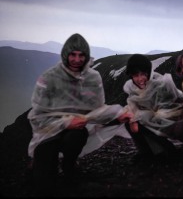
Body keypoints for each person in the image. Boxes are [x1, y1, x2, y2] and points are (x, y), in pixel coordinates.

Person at [27, 33, 131, 195]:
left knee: (77, 135)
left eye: (81, 55)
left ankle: (69, 165)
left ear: (86, 56)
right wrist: (66, 122)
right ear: (65, 55)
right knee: (43, 186)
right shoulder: (49, 78)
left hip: (75, 130)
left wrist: (118, 113)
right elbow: (37, 116)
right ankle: (41, 162)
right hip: (48, 132)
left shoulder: (92, 77)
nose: (77, 60)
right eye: (72, 55)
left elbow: (97, 109)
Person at [121, 54, 183, 162]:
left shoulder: (160, 84)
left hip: (175, 116)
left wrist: (143, 115)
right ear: (131, 76)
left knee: (145, 117)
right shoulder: (131, 88)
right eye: (135, 75)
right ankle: (146, 153)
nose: (140, 79)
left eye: (143, 74)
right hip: (154, 118)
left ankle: (168, 148)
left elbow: (171, 107)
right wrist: (131, 115)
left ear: (149, 72)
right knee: (130, 119)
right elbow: (132, 105)